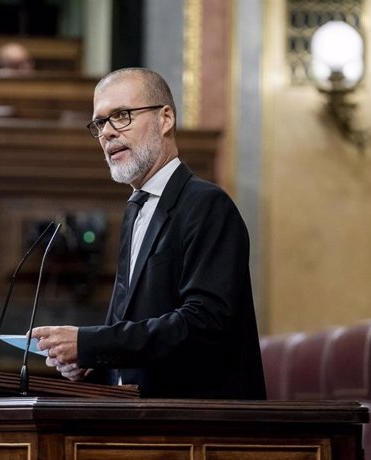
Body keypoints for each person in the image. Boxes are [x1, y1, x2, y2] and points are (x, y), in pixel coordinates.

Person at [30, 68, 267, 399]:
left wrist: (90, 343)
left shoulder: (207, 204)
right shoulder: (136, 210)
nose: (108, 133)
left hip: (202, 424)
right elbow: (130, 330)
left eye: (121, 116)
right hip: (142, 419)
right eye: (100, 124)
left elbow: (204, 324)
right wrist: (89, 361)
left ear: (165, 118)